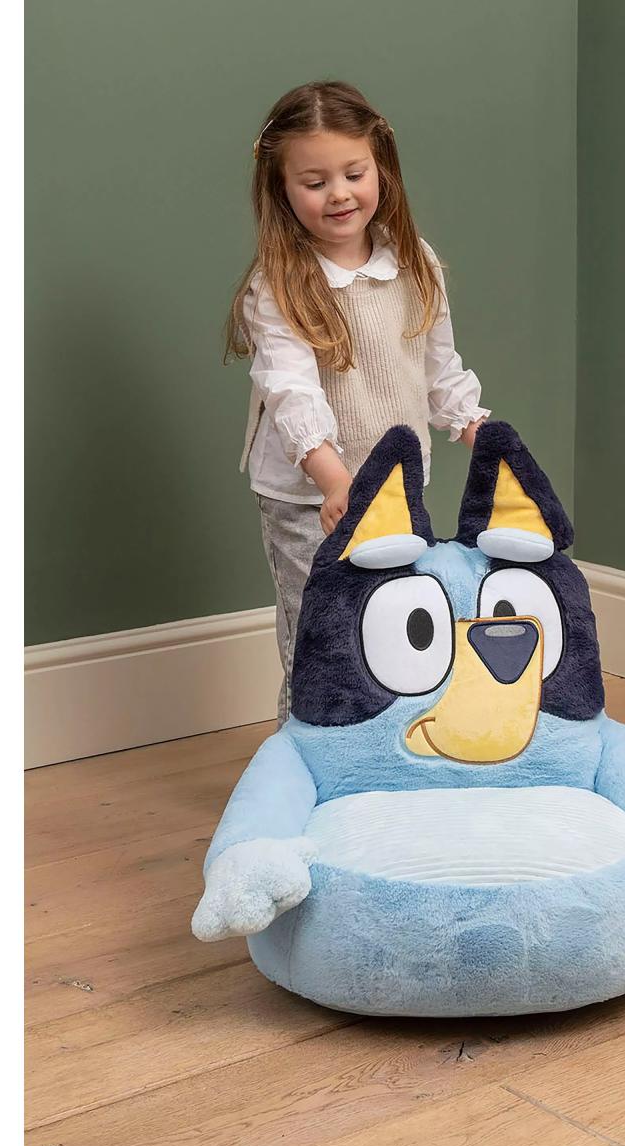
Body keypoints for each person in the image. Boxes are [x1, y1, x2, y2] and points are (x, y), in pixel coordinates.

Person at [225, 80, 490, 723]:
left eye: (354, 174)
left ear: (382, 168)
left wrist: (482, 435)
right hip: (309, 494)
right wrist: (335, 481)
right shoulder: (281, 284)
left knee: (390, 626)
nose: (339, 194)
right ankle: (304, 751)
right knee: (322, 632)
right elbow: (291, 392)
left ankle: (379, 753)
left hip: (395, 485)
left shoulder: (416, 263)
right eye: (315, 182)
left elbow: (438, 370)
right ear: (282, 189)